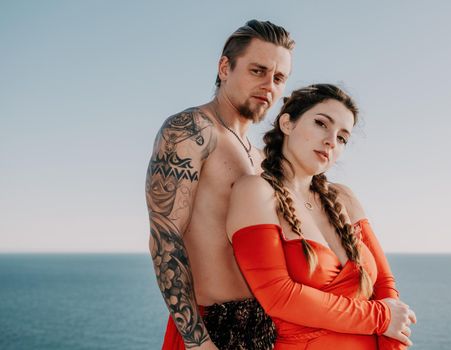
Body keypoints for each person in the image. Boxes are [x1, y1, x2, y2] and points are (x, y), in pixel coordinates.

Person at [226, 84, 417, 349]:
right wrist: (380, 318)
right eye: (321, 124)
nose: (331, 140)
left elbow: (384, 285)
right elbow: (278, 296)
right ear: (287, 123)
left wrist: (392, 343)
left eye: (342, 138)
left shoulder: (345, 199)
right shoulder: (256, 191)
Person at [145, 20, 294, 350]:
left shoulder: (260, 157)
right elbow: (165, 236)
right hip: (207, 330)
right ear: (225, 67)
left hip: (262, 330)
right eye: (258, 71)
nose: (269, 85)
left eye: (279, 77)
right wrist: (198, 342)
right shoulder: (192, 131)